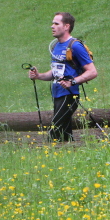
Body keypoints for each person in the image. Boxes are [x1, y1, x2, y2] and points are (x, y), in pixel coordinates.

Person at [28, 12, 97, 141]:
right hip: (57, 95)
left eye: (56, 23)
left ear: (66, 26)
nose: (52, 26)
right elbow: (55, 72)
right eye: (52, 23)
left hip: (69, 95)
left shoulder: (75, 45)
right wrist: (38, 76)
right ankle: (71, 149)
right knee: (64, 134)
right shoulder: (55, 46)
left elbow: (92, 71)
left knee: (54, 132)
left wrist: (73, 82)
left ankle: (49, 150)